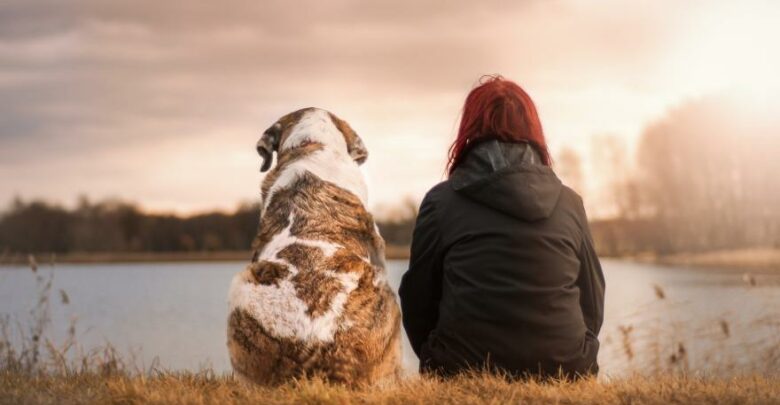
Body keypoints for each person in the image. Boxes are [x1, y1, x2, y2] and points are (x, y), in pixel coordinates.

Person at [399, 75, 605, 379]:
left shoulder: (441, 203)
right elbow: (593, 299)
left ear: (469, 130)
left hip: (461, 369)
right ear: (534, 130)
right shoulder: (570, 203)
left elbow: (417, 300)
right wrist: (576, 352)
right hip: (566, 369)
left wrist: (436, 356)